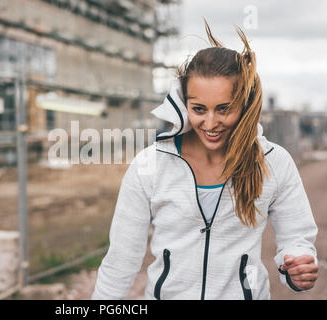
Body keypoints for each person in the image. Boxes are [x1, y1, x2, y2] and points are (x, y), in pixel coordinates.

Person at [91, 23, 318, 300]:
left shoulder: (274, 162)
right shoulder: (150, 165)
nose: (210, 123)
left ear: (243, 105)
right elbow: (121, 259)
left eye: (224, 109)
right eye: (199, 109)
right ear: (183, 104)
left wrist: (297, 263)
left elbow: (297, 237)